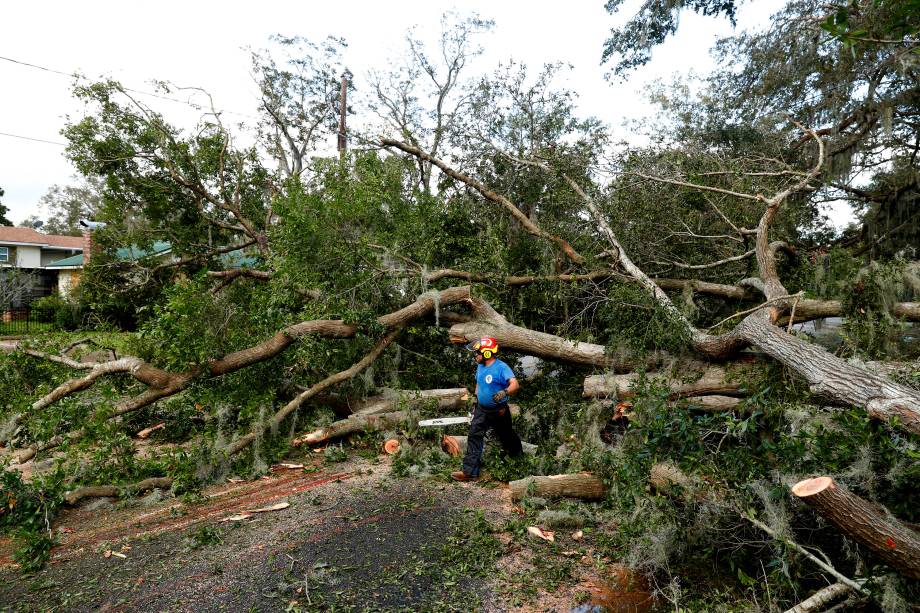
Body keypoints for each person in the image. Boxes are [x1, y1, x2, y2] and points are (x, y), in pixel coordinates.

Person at [451, 336, 523, 482]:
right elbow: (479, 383)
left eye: (477, 353)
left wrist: (505, 392)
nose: (475, 356)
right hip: (482, 409)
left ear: (487, 353)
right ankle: (470, 472)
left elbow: (515, 384)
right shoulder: (480, 366)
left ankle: (520, 464)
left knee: (507, 437)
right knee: (474, 436)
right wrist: (476, 400)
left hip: (499, 411)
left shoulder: (501, 367)